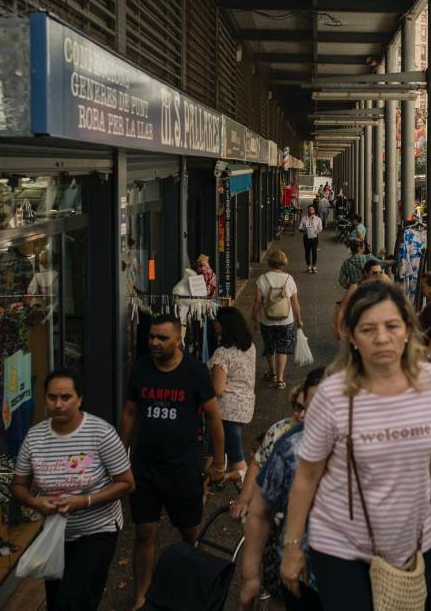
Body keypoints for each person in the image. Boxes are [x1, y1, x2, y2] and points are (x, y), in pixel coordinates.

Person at [280, 281, 431, 610]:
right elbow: (307, 475)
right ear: (351, 336)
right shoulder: (333, 395)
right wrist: (292, 545)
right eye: (368, 329)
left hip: (413, 541)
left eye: (392, 326)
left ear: (407, 328)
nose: (381, 338)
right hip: (340, 544)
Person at [119, 316, 225, 611]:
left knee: (189, 533)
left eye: (162, 338)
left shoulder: (195, 371)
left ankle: (192, 591)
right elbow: (129, 414)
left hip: (183, 467)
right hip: (146, 466)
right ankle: (142, 595)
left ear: (178, 339)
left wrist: (218, 462)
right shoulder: (140, 369)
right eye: (151, 336)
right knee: (144, 532)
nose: (154, 342)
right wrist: (119, 458)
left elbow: (213, 417)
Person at [11, 368, 135, 611]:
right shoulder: (35, 437)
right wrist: (36, 503)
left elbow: (127, 483)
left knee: (74, 602)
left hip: (96, 532)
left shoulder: (101, 433)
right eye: (52, 397)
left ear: (79, 399)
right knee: (57, 602)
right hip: (55, 536)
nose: (58, 404)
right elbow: (18, 485)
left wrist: (85, 501)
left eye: (66, 397)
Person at [238, 368, 327, 611]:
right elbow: (259, 512)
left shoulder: (374, 446)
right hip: (301, 579)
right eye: (313, 407)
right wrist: (251, 578)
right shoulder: (290, 447)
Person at [207, 306, 258, 482]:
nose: (214, 324)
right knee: (214, 448)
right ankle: (207, 485)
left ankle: (247, 491)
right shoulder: (250, 347)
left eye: (217, 322)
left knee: (236, 454)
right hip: (245, 406)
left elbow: (218, 389)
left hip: (226, 410)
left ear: (225, 326)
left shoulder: (222, 353)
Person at [252, 250, 304, 389]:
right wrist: (299, 319)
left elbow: (257, 301)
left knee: (269, 346)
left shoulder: (262, 279)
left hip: (266, 320)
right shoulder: (289, 279)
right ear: (283, 263)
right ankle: (280, 379)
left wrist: (253, 318)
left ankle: (272, 372)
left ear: (269, 262)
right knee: (282, 349)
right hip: (286, 320)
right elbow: (295, 302)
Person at [333, 259, 388, 340]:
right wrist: (339, 330)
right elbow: (342, 309)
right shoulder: (355, 287)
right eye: (374, 273)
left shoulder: (382, 287)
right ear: (366, 273)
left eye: (380, 273)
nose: (378, 275)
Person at [298, 204, 324, 273]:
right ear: (308, 210)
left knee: (314, 252)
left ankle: (314, 266)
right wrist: (304, 231)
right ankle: (308, 265)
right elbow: (300, 228)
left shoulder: (318, 219)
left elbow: (320, 228)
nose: (310, 210)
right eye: (309, 209)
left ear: (314, 210)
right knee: (307, 252)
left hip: (315, 237)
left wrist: (318, 231)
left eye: (312, 209)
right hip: (306, 237)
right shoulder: (304, 218)